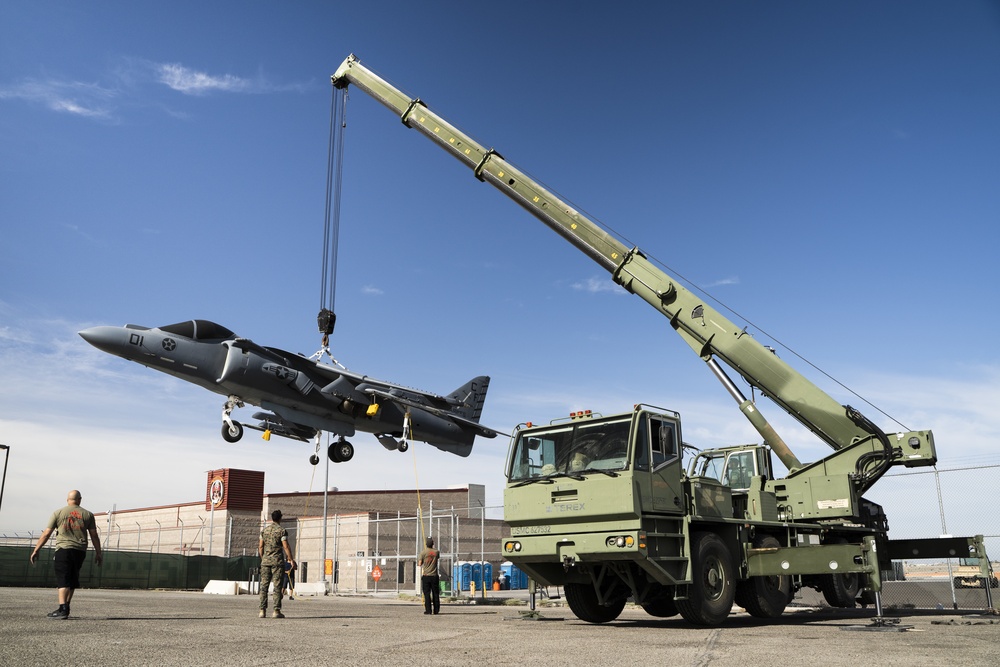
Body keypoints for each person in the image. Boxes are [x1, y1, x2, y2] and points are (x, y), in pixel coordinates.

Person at [29, 489, 103, 620]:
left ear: (67, 500)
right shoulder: (88, 514)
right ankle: (66, 606)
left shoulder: (58, 513)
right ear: (80, 500)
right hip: (80, 550)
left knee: (63, 578)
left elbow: (46, 534)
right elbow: (94, 535)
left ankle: (62, 609)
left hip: (63, 549)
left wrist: (36, 550)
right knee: (73, 578)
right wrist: (98, 552)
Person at [258, 509, 295, 619]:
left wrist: (263, 557)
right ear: (280, 518)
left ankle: (262, 610)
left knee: (263, 586)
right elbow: (285, 546)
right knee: (277, 586)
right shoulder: (281, 531)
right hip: (277, 562)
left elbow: (260, 546)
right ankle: (276, 611)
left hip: (265, 561)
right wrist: (291, 559)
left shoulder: (264, 531)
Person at [417, 536, 440, 615]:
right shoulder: (436, 552)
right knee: (435, 593)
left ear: (426, 544)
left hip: (426, 575)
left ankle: (428, 610)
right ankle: (436, 610)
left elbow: (419, 564)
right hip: (434, 575)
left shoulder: (423, 552)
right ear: (433, 544)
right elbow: (437, 559)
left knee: (427, 593)